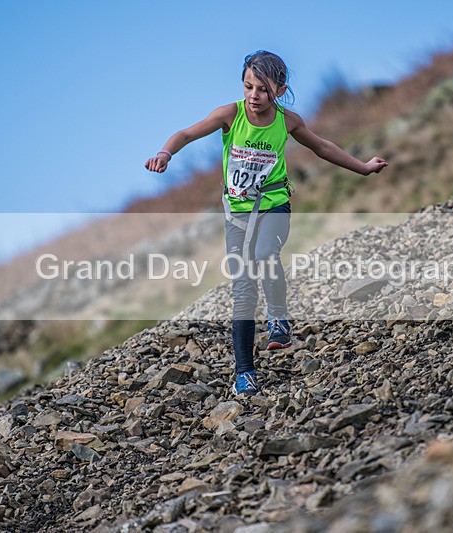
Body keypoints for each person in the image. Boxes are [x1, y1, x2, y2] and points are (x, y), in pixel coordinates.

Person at [145, 50, 387, 396]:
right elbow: (185, 133)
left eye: (263, 89)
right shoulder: (230, 115)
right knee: (242, 292)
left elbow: (321, 147)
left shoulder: (288, 121)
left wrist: (363, 167)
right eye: (248, 87)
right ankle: (244, 373)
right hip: (238, 214)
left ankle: (279, 319)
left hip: (274, 205)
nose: (254, 96)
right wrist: (165, 153)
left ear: (280, 89)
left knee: (264, 254)